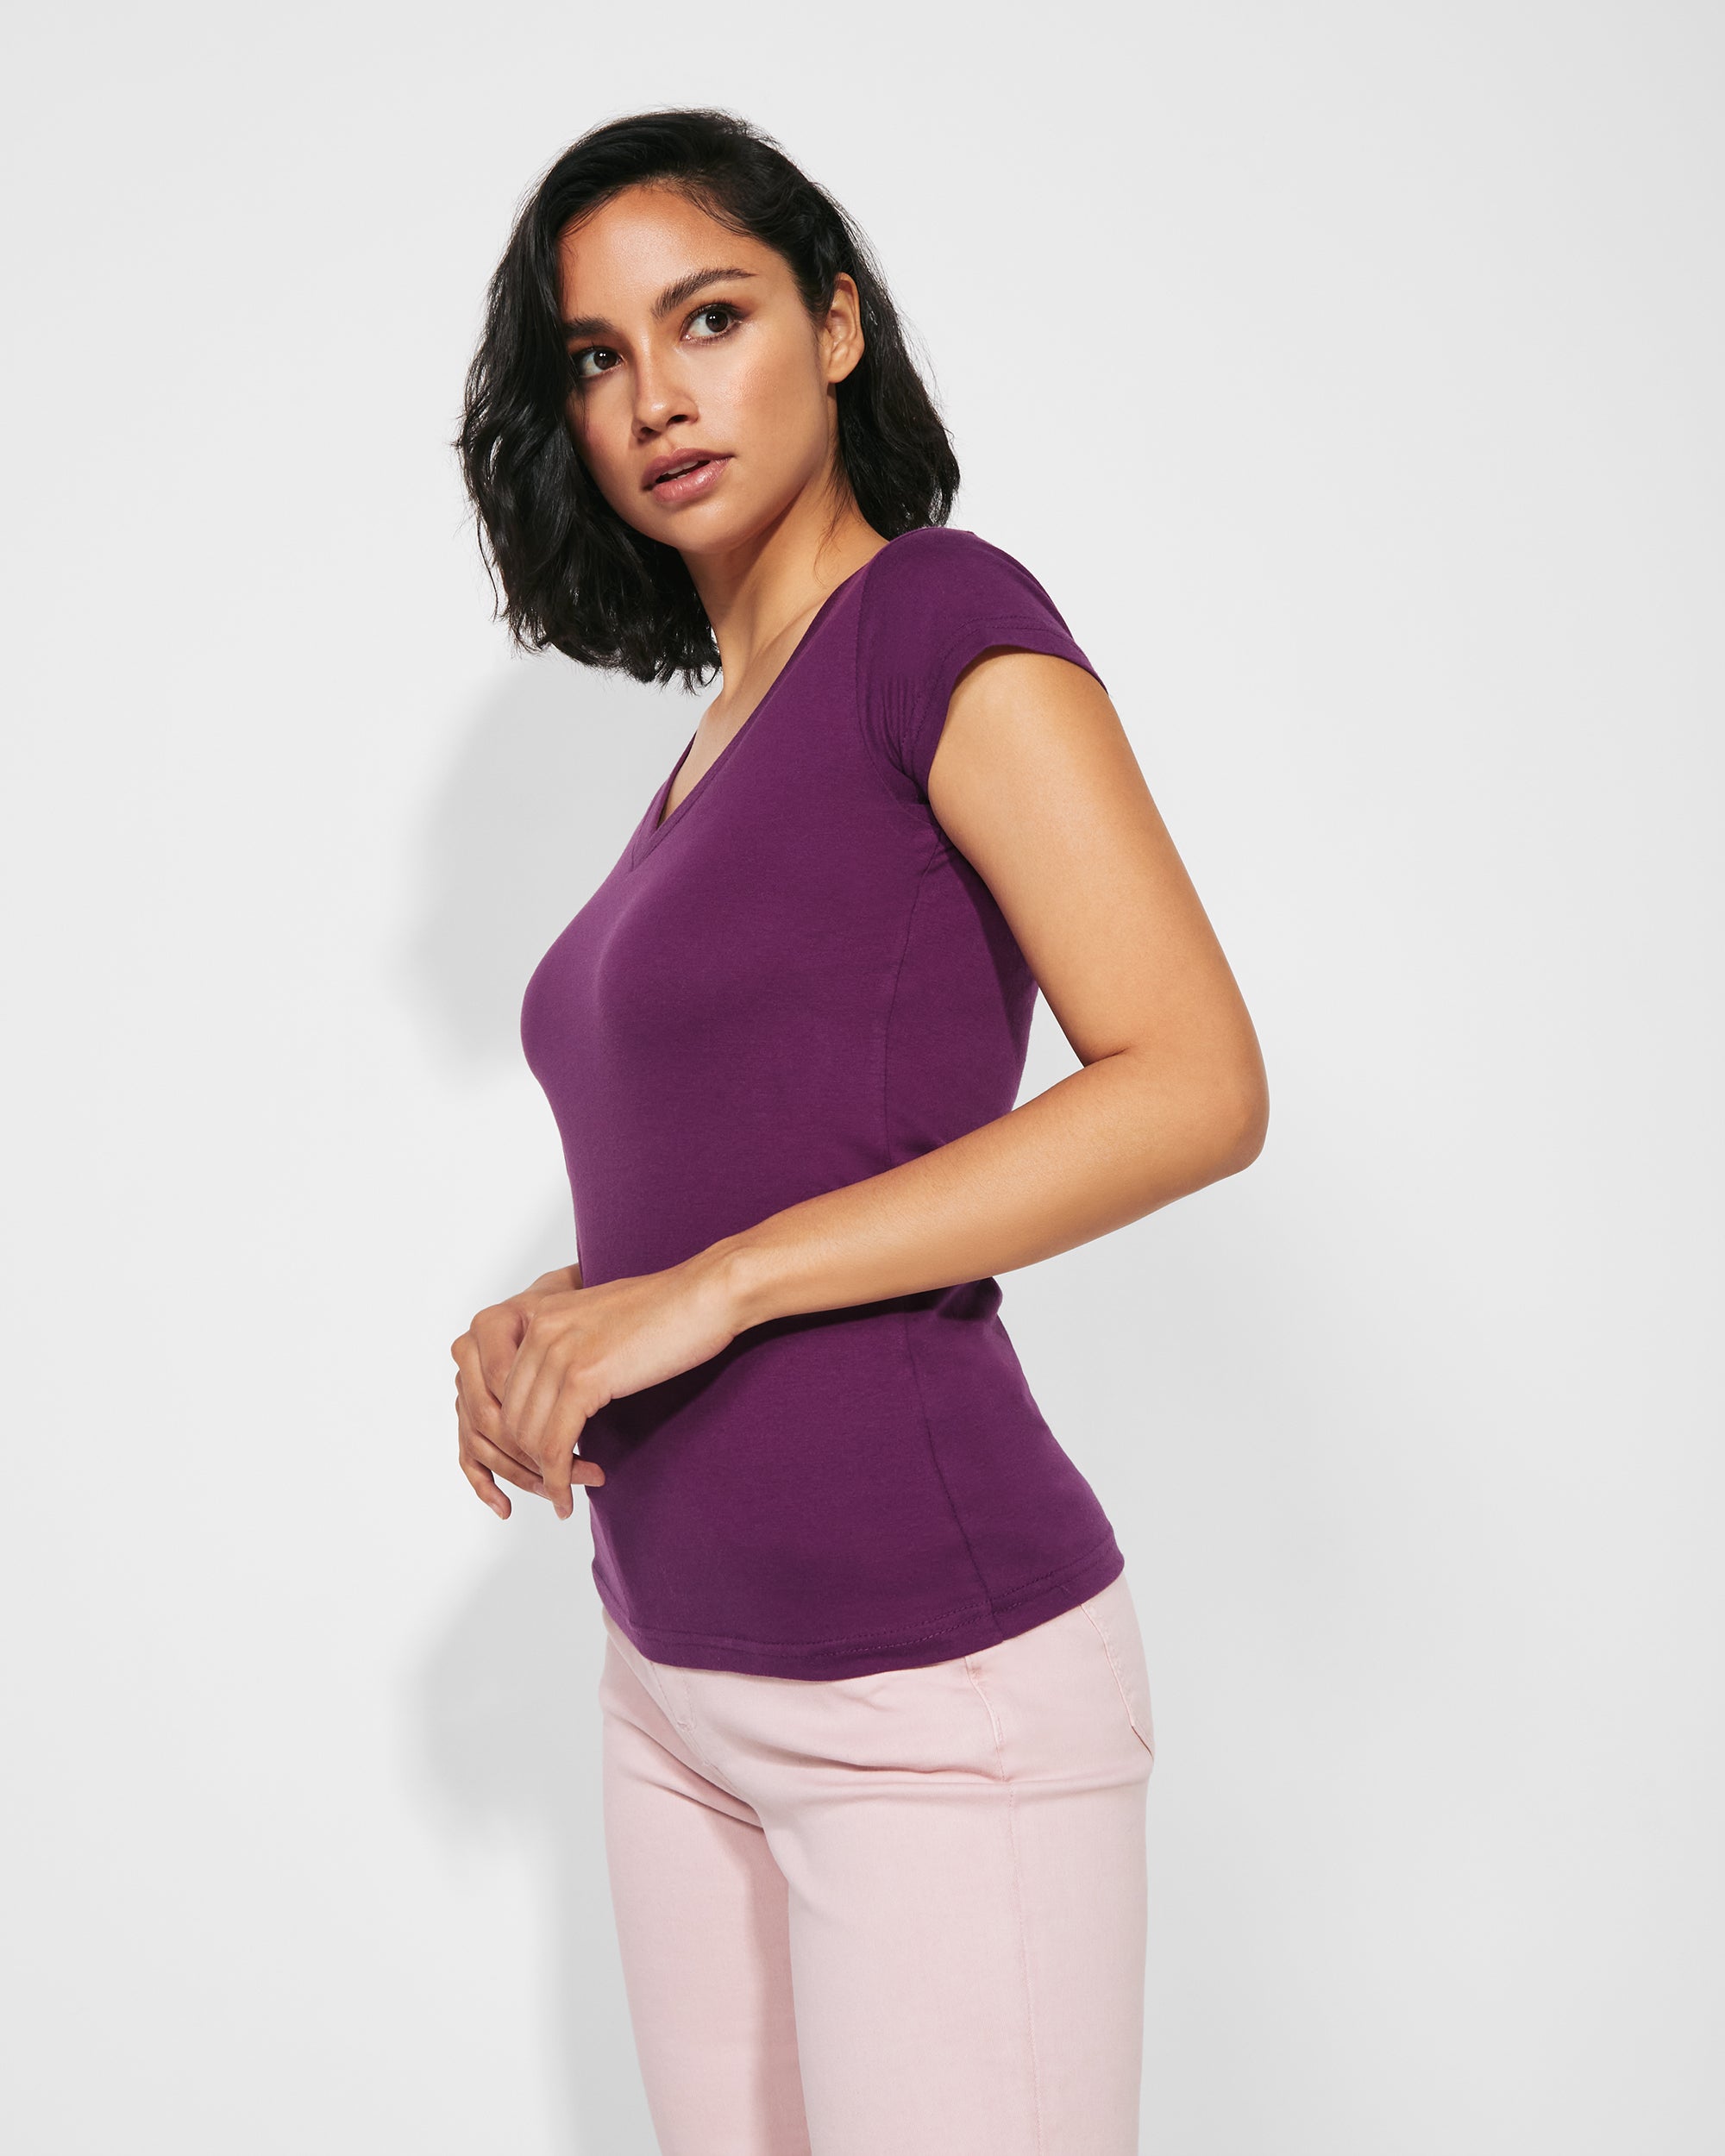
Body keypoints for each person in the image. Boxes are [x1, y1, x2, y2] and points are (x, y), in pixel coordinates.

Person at [449, 107, 1268, 2156]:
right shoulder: (709, 750)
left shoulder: (929, 619)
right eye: (597, 355)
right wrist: (575, 1305)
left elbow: (1192, 1077)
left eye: (708, 318)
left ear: (833, 328)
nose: (656, 396)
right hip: (674, 1670)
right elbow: (784, 1130)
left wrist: (708, 1289)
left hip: (927, 1687)